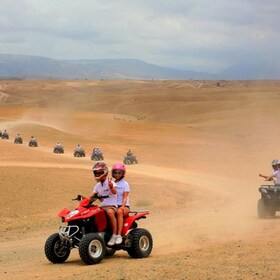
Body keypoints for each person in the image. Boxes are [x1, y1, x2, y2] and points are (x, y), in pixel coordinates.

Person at [91, 162, 118, 246]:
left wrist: (111, 187)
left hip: (112, 206)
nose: (98, 174)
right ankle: (97, 233)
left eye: (100, 172)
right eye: (96, 173)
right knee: (92, 213)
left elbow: (114, 192)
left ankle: (114, 235)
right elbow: (91, 196)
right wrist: (83, 198)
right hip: (102, 207)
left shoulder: (111, 182)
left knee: (110, 213)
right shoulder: (97, 186)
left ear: (105, 172)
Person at [111, 162, 130, 245]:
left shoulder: (125, 184)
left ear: (122, 173)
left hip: (124, 206)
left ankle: (119, 235)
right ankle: (110, 234)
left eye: (119, 173)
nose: (117, 174)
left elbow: (125, 197)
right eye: (115, 173)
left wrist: (122, 206)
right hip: (114, 205)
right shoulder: (112, 183)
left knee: (119, 212)